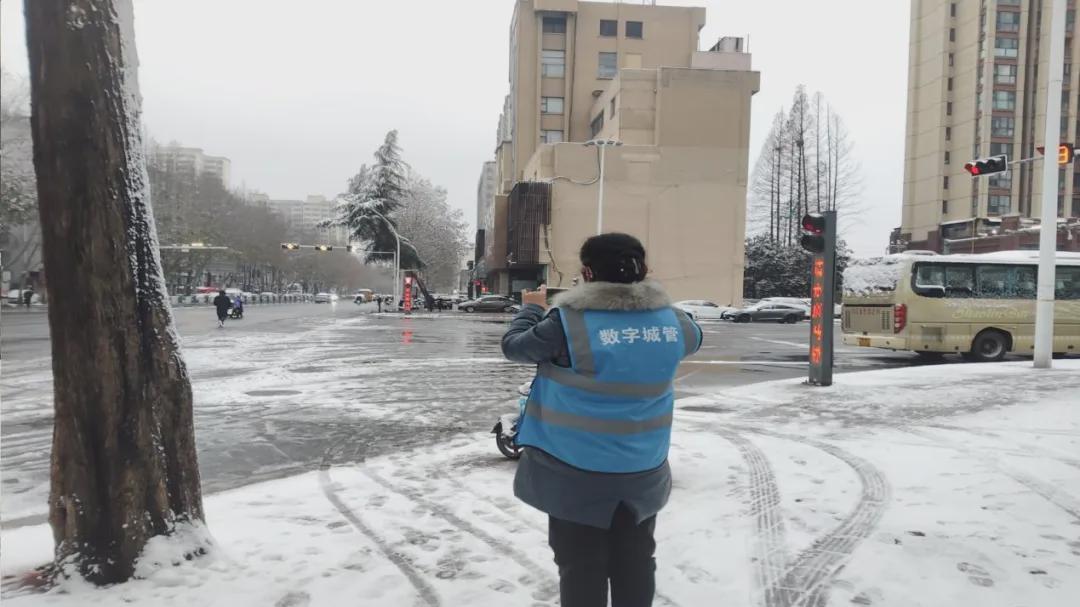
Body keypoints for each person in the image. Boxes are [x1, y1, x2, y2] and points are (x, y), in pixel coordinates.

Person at [501, 233, 702, 607]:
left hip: (575, 476)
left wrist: (530, 309)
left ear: (587, 273)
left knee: (581, 568)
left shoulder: (567, 323)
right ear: (644, 270)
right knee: (637, 562)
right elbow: (694, 336)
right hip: (643, 473)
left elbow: (515, 346)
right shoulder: (673, 323)